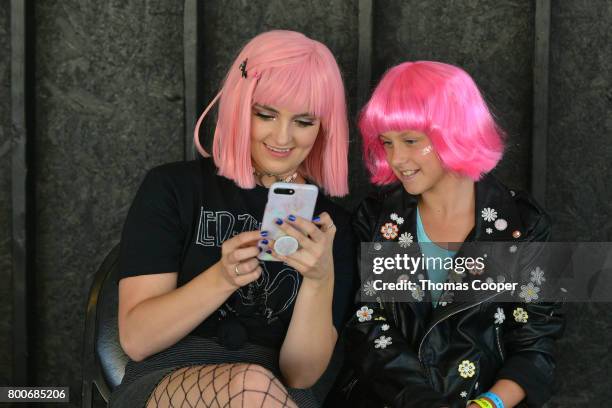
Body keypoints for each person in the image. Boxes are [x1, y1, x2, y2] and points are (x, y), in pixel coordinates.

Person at [109, 30, 355, 408]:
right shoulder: (173, 188)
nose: (283, 136)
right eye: (266, 115)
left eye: (304, 122)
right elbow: (138, 339)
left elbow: (301, 375)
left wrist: (319, 279)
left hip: (279, 390)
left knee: (255, 386)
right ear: (242, 107)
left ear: (324, 127)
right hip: (167, 382)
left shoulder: (331, 225)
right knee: (250, 386)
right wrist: (221, 278)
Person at [337, 61, 565, 408]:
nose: (397, 158)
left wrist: (487, 404)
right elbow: (366, 325)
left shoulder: (524, 226)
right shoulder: (377, 218)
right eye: (387, 143)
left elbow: (535, 343)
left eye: (411, 141)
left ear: (455, 131)